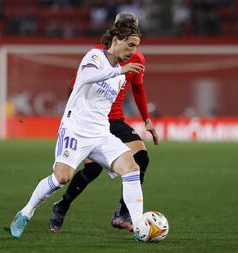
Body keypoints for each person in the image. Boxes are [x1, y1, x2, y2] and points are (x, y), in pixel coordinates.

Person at [10, 17, 145, 239]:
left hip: (101, 133)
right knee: (62, 178)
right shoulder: (95, 57)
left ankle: (140, 225)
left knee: (132, 168)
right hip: (75, 130)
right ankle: (26, 211)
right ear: (116, 39)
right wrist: (118, 72)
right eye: (131, 45)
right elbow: (86, 77)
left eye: (137, 46)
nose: (134, 51)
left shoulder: (120, 77)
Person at [48, 12, 159, 234]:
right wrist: (75, 118)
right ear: (116, 31)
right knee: (92, 170)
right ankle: (62, 206)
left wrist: (146, 118)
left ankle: (123, 214)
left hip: (115, 119)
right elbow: (76, 85)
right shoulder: (100, 54)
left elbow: (138, 87)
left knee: (141, 156)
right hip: (91, 121)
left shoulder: (136, 58)